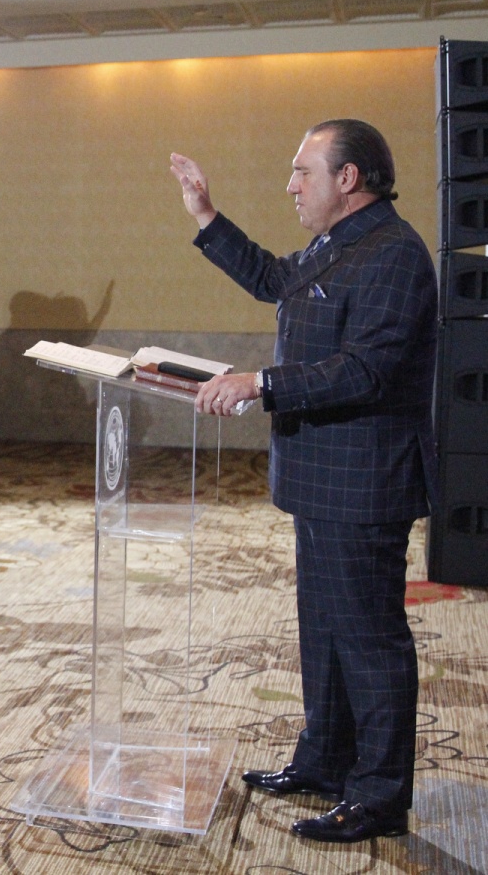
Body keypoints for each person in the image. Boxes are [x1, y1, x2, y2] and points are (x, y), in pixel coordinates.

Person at [170, 119, 436, 844]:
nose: (291, 186)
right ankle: (325, 759)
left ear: (348, 179)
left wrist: (259, 383)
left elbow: (366, 369)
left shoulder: (394, 253)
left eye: (302, 172)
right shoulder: (337, 244)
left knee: (369, 640)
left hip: (363, 483)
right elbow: (273, 279)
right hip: (323, 479)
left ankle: (378, 796)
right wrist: (206, 216)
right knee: (324, 632)